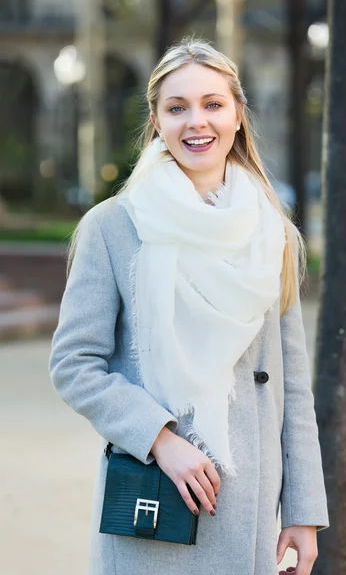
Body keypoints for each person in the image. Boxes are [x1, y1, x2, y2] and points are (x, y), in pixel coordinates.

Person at [49, 38, 329, 575]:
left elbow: (292, 385)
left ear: (239, 115)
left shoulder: (272, 234)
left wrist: (303, 511)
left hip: (248, 505)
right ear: (156, 121)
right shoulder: (113, 227)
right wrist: (159, 437)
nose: (196, 122)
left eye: (212, 104)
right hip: (155, 502)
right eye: (177, 108)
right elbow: (74, 364)